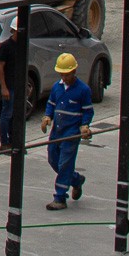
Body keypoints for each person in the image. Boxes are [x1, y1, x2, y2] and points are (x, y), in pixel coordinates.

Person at [39, 52, 95, 210]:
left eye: (67, 74)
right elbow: (51, 104)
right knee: (53, 160)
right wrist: (47, 117)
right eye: (61, 74)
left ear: (74, 71)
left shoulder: (83, 90)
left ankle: (60, 197)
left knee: (64, 164)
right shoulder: (56, 87)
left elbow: (88, 111)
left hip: (71, 133)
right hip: (56, 132)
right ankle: (76, 180)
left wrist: (85, 125)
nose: (64, 78)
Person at [0, 21, 25, 154]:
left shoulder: (23, 46)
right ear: (14, 31)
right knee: (7, 114)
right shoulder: (6, 46)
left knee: (16, 115)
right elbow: (0, 66)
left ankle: (14, 141)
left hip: (19, 86)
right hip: (9, 86)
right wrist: (4, 87)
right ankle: (4, 143)